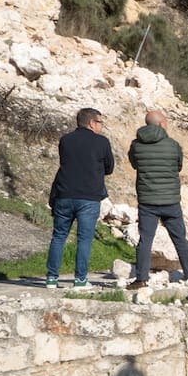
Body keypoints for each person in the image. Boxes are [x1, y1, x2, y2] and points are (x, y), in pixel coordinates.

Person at [127, 109, 188, 288]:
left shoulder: (136, 145)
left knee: (145, 240)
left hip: (147, 201)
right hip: (170, 200)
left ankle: (141, 279)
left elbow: (134, 164)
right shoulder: (173, 145)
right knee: (180, 238)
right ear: (161, 124)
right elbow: (178, 166)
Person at [45, 107, 114, 289]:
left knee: (59, 236)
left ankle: (52, 278)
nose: (100, 126)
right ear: (91, 122)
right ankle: (80, 279)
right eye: (99, 122)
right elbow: (109, 167)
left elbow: (65, 162)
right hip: (89, 197)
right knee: (84, 238)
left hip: (64, 195)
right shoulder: (102, 142)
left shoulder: (65, 140)